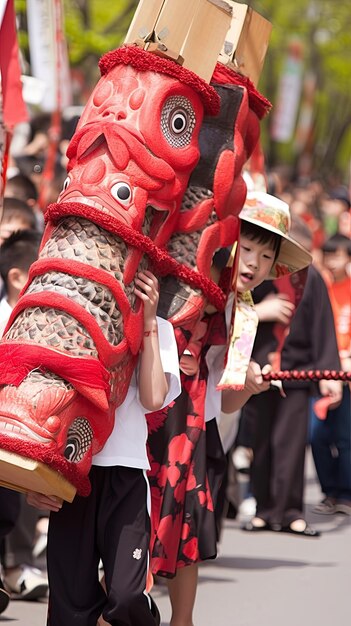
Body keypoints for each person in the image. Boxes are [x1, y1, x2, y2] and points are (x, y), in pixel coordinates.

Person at [147, 192, 312, 626]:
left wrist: (252, 386)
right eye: (248, 249)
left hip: (194, 429)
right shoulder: (182, 278)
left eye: (266, 256)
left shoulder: (246, 317)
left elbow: (226, 398)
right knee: (132, 533)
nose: (254, 264)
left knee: (187, 534)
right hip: (146, 417)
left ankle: (183, 621)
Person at [26, 269, 181, 626]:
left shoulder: (159, 329)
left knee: (126, 598)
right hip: (70, 475)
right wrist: (35, 483)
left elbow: (153, 397)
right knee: (70, 604)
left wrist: (148, 324)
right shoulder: (65, 322)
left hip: (125, 476)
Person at [240, 218, 342, 537]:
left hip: (297, 370)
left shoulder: (311, 280)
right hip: (259, 369)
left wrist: (329, 373)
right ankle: (264, 508)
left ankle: (291, 511)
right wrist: (262, 310)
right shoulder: (257, 277)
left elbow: (322, 325)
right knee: (261, 441)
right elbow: (238, 310)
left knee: (291, 444)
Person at [0, 230, 48, 607]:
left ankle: (18, 567)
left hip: (23, 430)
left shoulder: (48, 321)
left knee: (15, 503)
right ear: (18, 277)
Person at [311, 233, 351, 515]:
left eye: (339, 255)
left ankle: (346, 494)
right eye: (329, 255)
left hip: (347, 374)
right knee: (318, 436)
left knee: (346, 437)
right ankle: (330, 491)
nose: (333, 261)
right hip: (321, 373)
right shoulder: (318, 287)